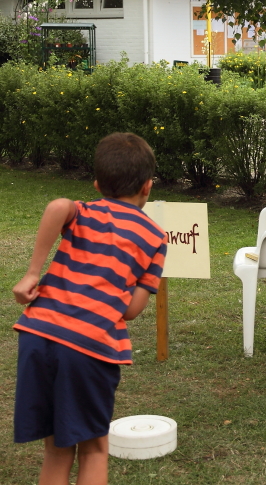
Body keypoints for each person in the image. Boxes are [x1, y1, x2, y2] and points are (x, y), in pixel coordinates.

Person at [11, 132, 167, 485]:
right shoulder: (155, 238)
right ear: (147, 186)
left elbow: (57, 206)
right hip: (88, 348)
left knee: (57, 450)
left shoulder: (83, 211)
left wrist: (33, 272)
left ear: (97, 184)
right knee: (94, 449)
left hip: (38, 336)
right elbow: (131, 310)